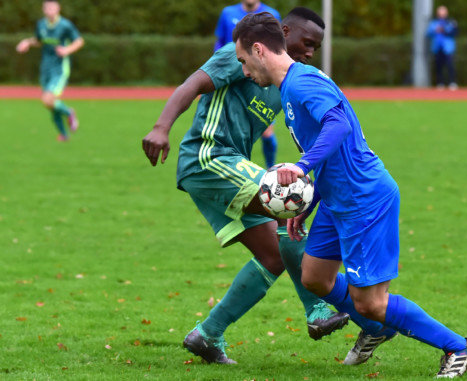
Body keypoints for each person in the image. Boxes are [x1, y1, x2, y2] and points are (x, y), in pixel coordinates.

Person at [233, 12, 467, 378]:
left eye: (242, 60)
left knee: (371, 302)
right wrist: (309, 201)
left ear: (258, 50)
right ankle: (379, 329)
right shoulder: (290, 86)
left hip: (365, 199)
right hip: (336, 198)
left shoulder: (301, 84)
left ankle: (459, 348)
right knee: (314, 277)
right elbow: (331, 149)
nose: (243, 71)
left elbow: (339, 125)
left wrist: (301, 168)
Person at [141, 8, 348, 365]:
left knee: (272, 256)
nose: (311, 51)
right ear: (282, 32)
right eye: (307, 42)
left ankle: (207, 334)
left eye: (316, 47)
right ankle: (316, 308)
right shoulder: (239, 55)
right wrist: (161, 127)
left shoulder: (287, 79)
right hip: (209, 156)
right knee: (287, 209)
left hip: (228, 164)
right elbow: (192, 84)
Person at [215, 0, 281, 168]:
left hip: (261, 80)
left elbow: (278, 47)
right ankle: (238, 170)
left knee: (266, 131)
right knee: (235, 131)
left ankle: (270, 168)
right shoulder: (227, 13)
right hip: (234, 82)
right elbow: (219, 43)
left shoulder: (272, 14)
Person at [15, 0, 83, 142]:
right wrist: (27, 42)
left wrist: (67, 50)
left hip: (59, 68)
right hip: (45, 67)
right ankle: (64, 134)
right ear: (44, 9)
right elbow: (39, 40)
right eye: (47, 7)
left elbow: (79, 41)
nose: (50, 10)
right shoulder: (41, 24)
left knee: (47, 99)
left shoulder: (65, 25)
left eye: (53, 7)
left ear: (58, 8)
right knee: (51, 104)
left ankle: (68, 112)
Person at [427, 6, 458, 90]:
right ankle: (440, 83)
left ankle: (452, 82)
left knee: (450, 65)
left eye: (443, 12)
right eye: (440, 12)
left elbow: (454, 32)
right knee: (438, 66)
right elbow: (428, 32)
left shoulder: (450, 22)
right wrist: (435, 30)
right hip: (437, 47)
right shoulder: (434, 23)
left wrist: (444, 30)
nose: (441, 14)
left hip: (448, 48)